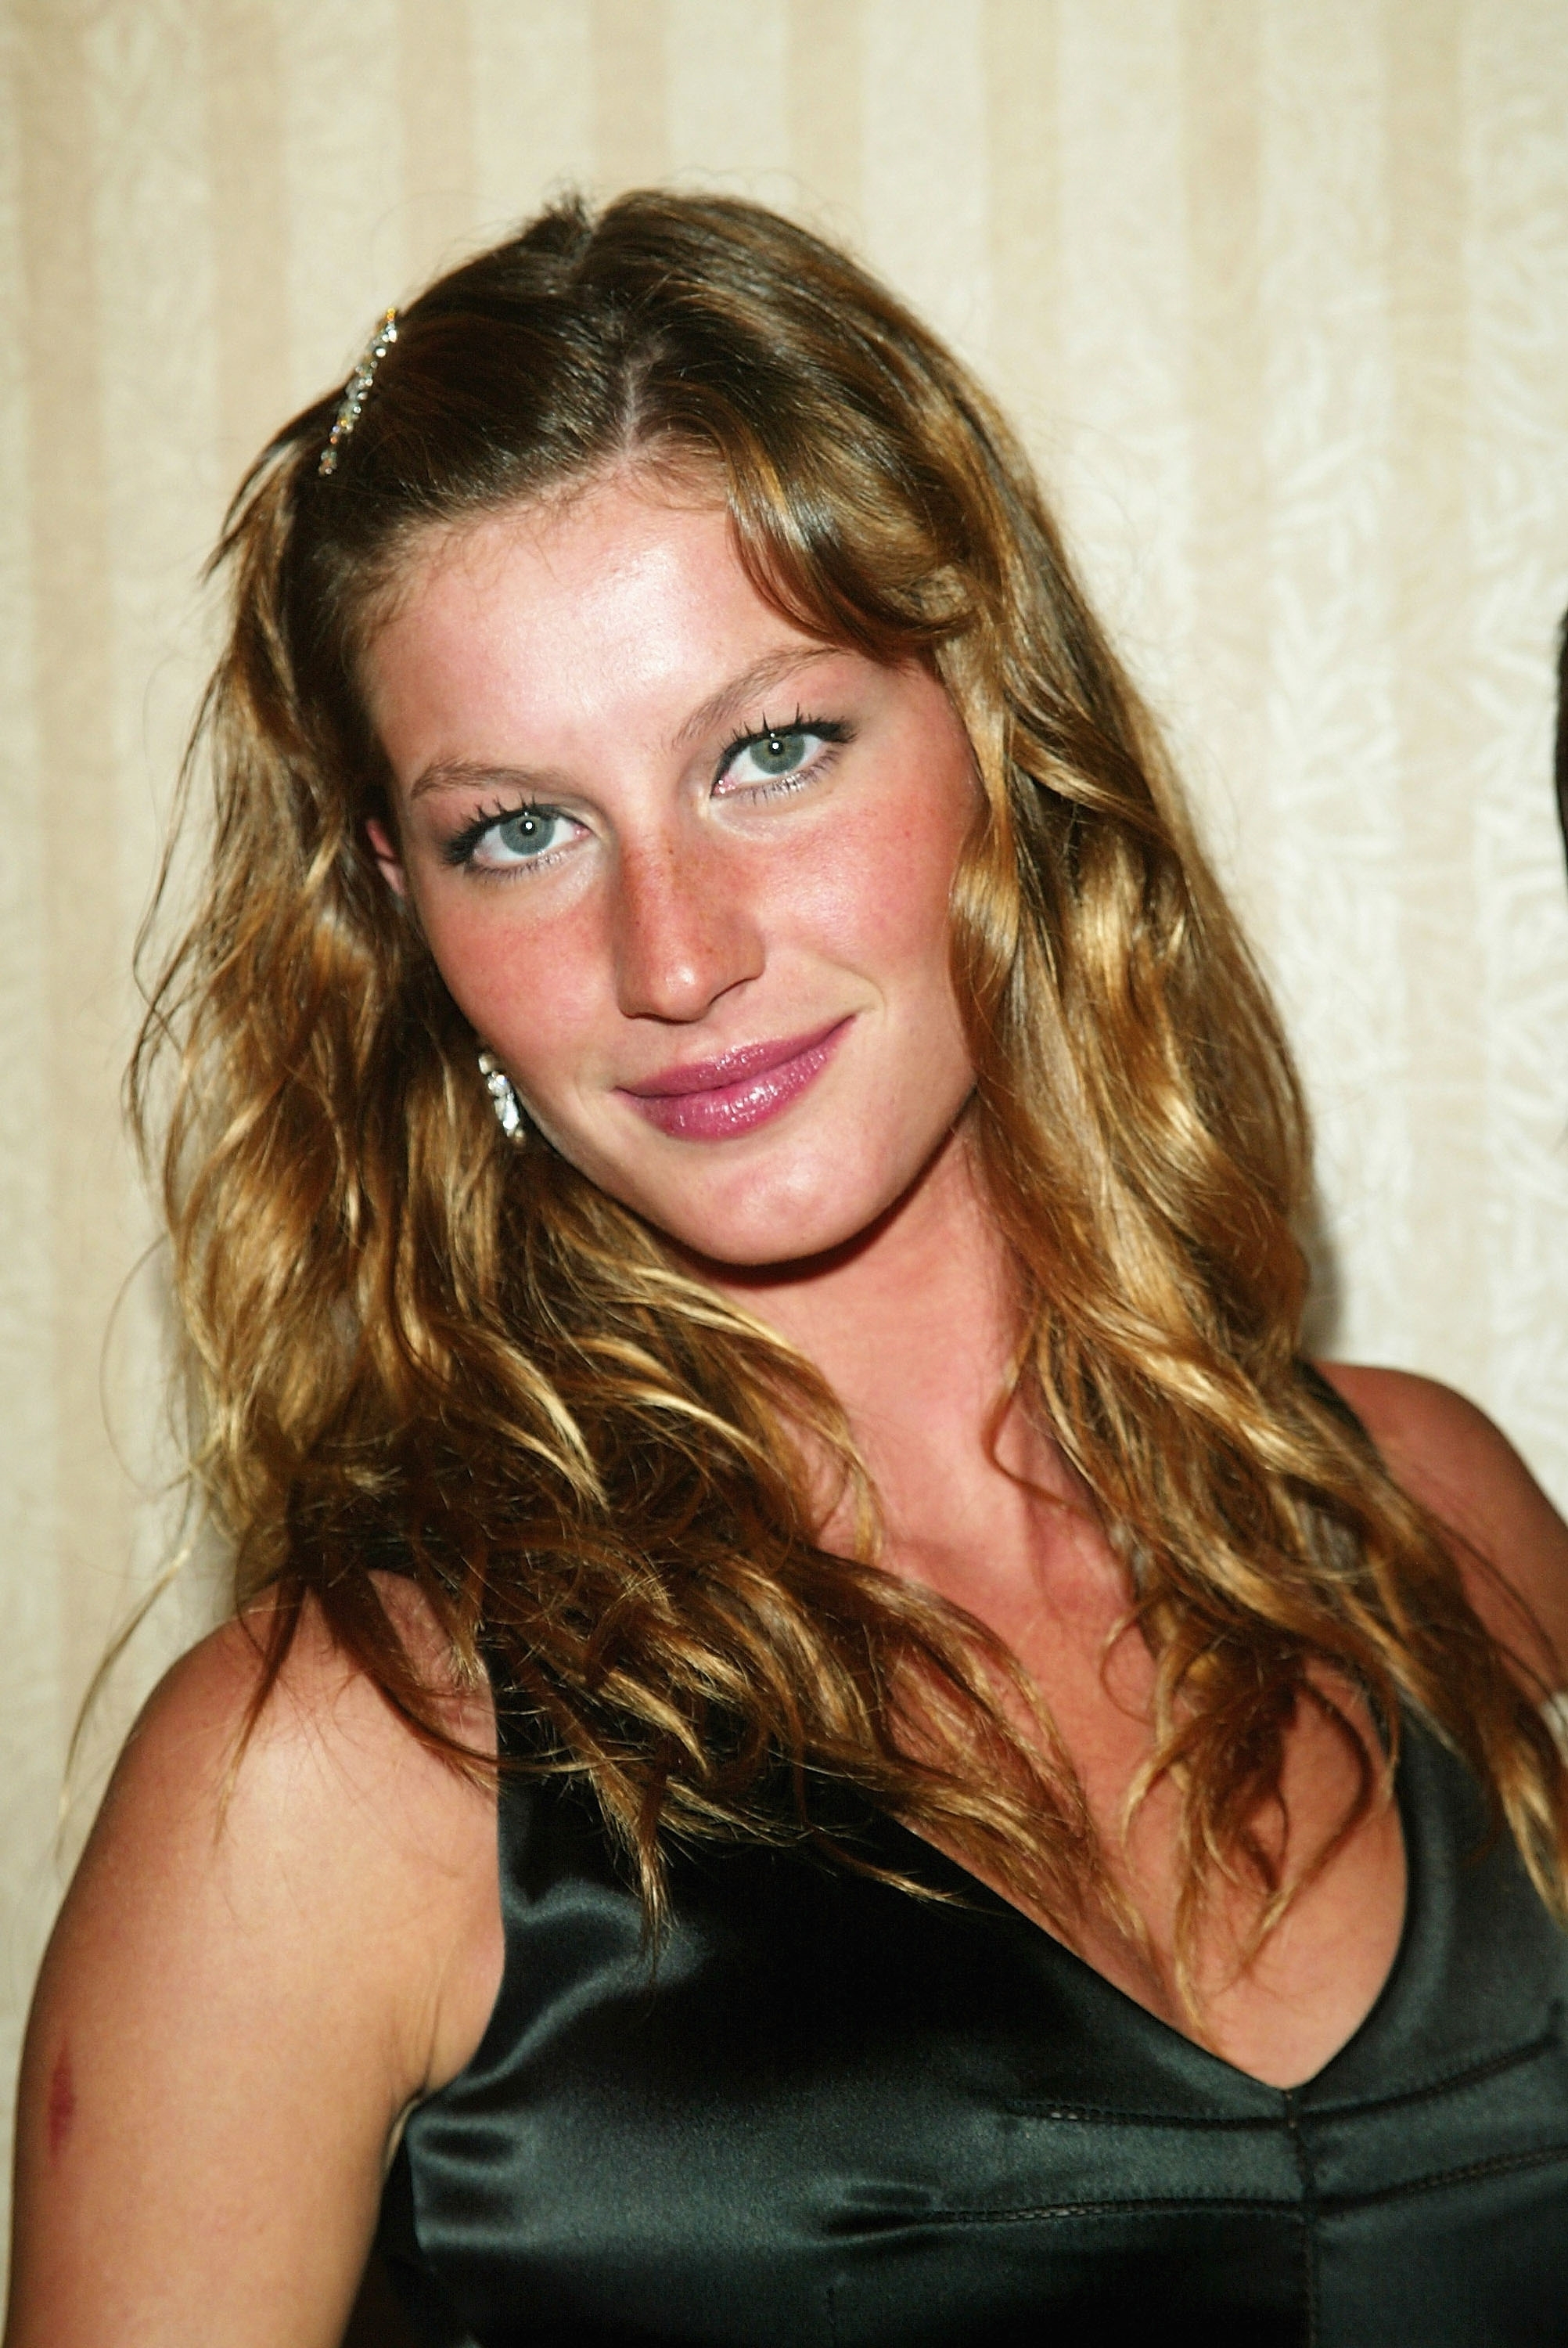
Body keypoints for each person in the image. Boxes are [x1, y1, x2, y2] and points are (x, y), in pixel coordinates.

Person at [8, 191, 1568, 2348]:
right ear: (404, 912)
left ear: (996, 731)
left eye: (770, 752)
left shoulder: (1430, 1528)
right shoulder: (337, 1776)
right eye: (517, 830)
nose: (673, 956)